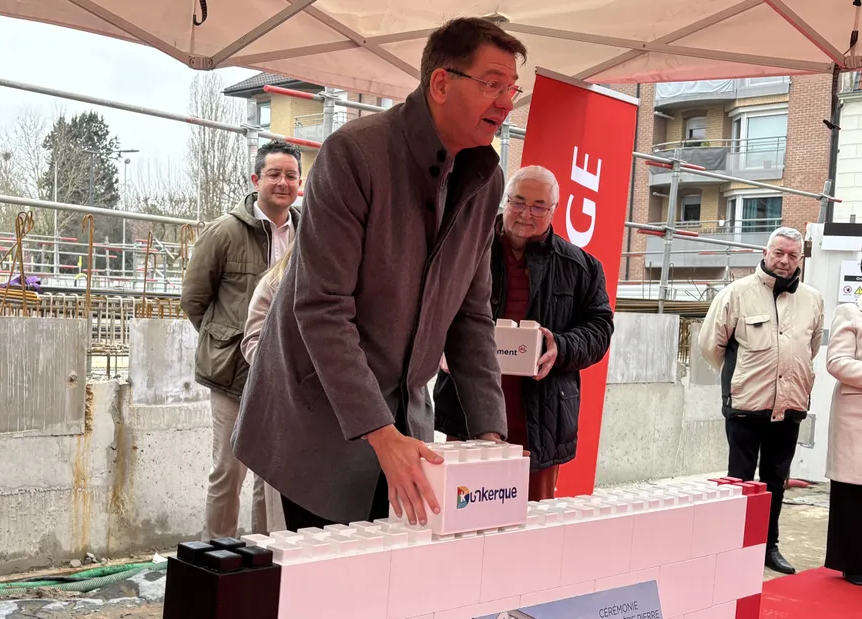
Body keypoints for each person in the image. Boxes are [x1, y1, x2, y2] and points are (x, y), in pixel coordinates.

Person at [233, 17, 527, 530]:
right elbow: (321, 306)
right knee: (331, 582)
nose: (506, 102)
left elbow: (471, 313)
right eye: (492, 84)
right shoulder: (356, 153)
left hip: (407, 417)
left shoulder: (486, 176)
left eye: (513, 89)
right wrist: (379, 432)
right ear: (441, 82)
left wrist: (489, 435)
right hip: (318, 416)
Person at [433, 165, 614, 501]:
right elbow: (430, 307)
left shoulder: (581, 267)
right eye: (518, 202)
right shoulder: (467, 249)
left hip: (542, 418)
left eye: (538, 206)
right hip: (466, 407)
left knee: (533, 523)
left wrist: (560, 346)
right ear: (505, 201)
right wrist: (441, 348)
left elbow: (600, 329)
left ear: (554, 210)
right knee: (460, 511)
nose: (526, 214)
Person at [180, 139, 303, 539]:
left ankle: (264, 556)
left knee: (275, 476)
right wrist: (227, 341)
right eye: (274, 174)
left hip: (284, 376)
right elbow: (194, 299)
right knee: (228, 470)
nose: (282, 183)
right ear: (256, 179)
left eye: (290, 175)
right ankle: (217, 557)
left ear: (299, 184)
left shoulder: (308, 233)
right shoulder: (225, 232)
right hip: (232, 373)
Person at [697, 226, 824, 575]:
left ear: (801, 259)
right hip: (746, 404)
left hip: (791, 404)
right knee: (739, 479)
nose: (785, 261)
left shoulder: (812, 298)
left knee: (775, 479)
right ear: (766, 253)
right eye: (779, 253)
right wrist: (744, 375)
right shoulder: (736, 294)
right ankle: (730, 546)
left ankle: (768, 546)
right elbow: (711, 345)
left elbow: (809, 347)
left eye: (792, 255)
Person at [241, 243, 297, 532]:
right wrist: (292, 371)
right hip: (283, 408)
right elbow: (251, 342)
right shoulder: (274, 282)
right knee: (277, 512)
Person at [823, 286, 862, 586]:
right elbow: (836, 362)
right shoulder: (850, 311)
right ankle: (853, 563)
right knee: (853, 492)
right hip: (855, 416)